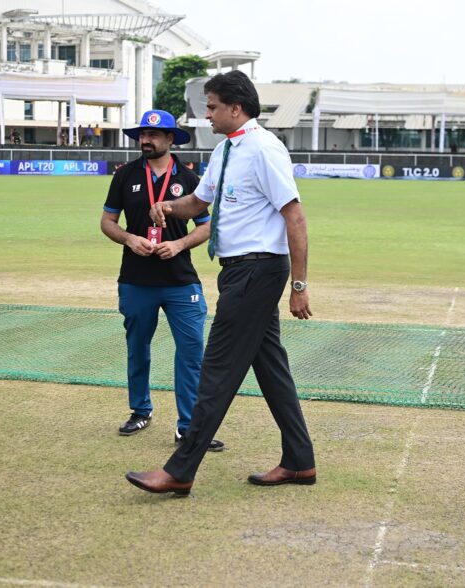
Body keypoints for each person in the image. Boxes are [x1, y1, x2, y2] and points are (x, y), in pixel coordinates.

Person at [125, 70, 315, 495]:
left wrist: (299, 286)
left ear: (235, 107)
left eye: (211, 106)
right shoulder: (227, 150)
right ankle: (300, 462)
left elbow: (295, 216)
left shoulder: (264, 149)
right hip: (237, 271)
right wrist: (168, 207)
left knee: (216, 370)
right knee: (271, 371)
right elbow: (198, 202)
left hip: (258, 270)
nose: (205, 114)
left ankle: (180, 470)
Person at [101, 109, 223, 452]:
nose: (146, 140)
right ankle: (140, 410)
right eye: (142, 134)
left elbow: (206, 226)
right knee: (137, 348)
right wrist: (128, 239)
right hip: (135, 279)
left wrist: (179, 244)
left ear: (171, 139)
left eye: (154, 135)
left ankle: (189, 427)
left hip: (180, 281)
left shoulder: (189, 179)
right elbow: (108, 222)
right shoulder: (124, 176)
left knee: (191, 352)